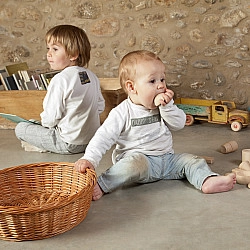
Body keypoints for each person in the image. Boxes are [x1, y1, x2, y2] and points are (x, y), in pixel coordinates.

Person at [74, 50, 236, 200]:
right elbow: (103, 138)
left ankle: (206, 180)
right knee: (132, 165)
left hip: (167, 160)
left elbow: (178, 124)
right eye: (152, 81)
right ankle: (103, 185)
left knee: (192, 161)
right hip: (140, 162)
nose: (161, 86)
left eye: (162, 79)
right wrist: (90, 159)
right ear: (132, 87)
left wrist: (168, 107)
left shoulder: (164, 106)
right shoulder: (122, 112)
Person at [15, 24, 105, 154]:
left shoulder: (60, 79)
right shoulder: (91, 76)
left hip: (68, 143)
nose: (49, 54)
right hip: (91, 141)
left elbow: (50, 118)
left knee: (21, 128)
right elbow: (100, 106)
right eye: (48, 48)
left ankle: (43, 146)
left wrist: (47, 125)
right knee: (33, 123)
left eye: (55, 49)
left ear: (73, 54)